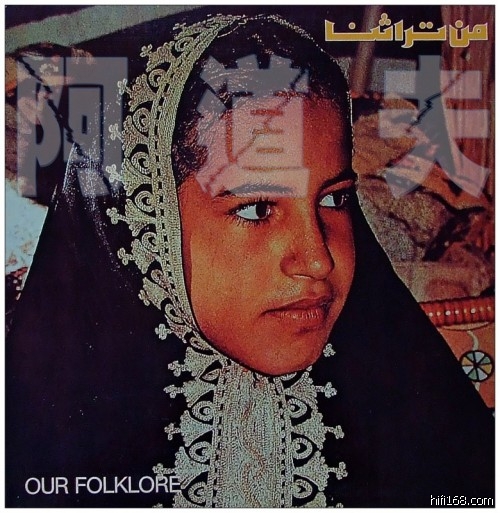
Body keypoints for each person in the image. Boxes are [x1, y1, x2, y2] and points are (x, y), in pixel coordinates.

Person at [6, 13, 494, 508]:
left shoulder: (414, 420)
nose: (317, 260)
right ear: (149, 222)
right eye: (257, 209)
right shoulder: (50, 462)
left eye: (334, 199)